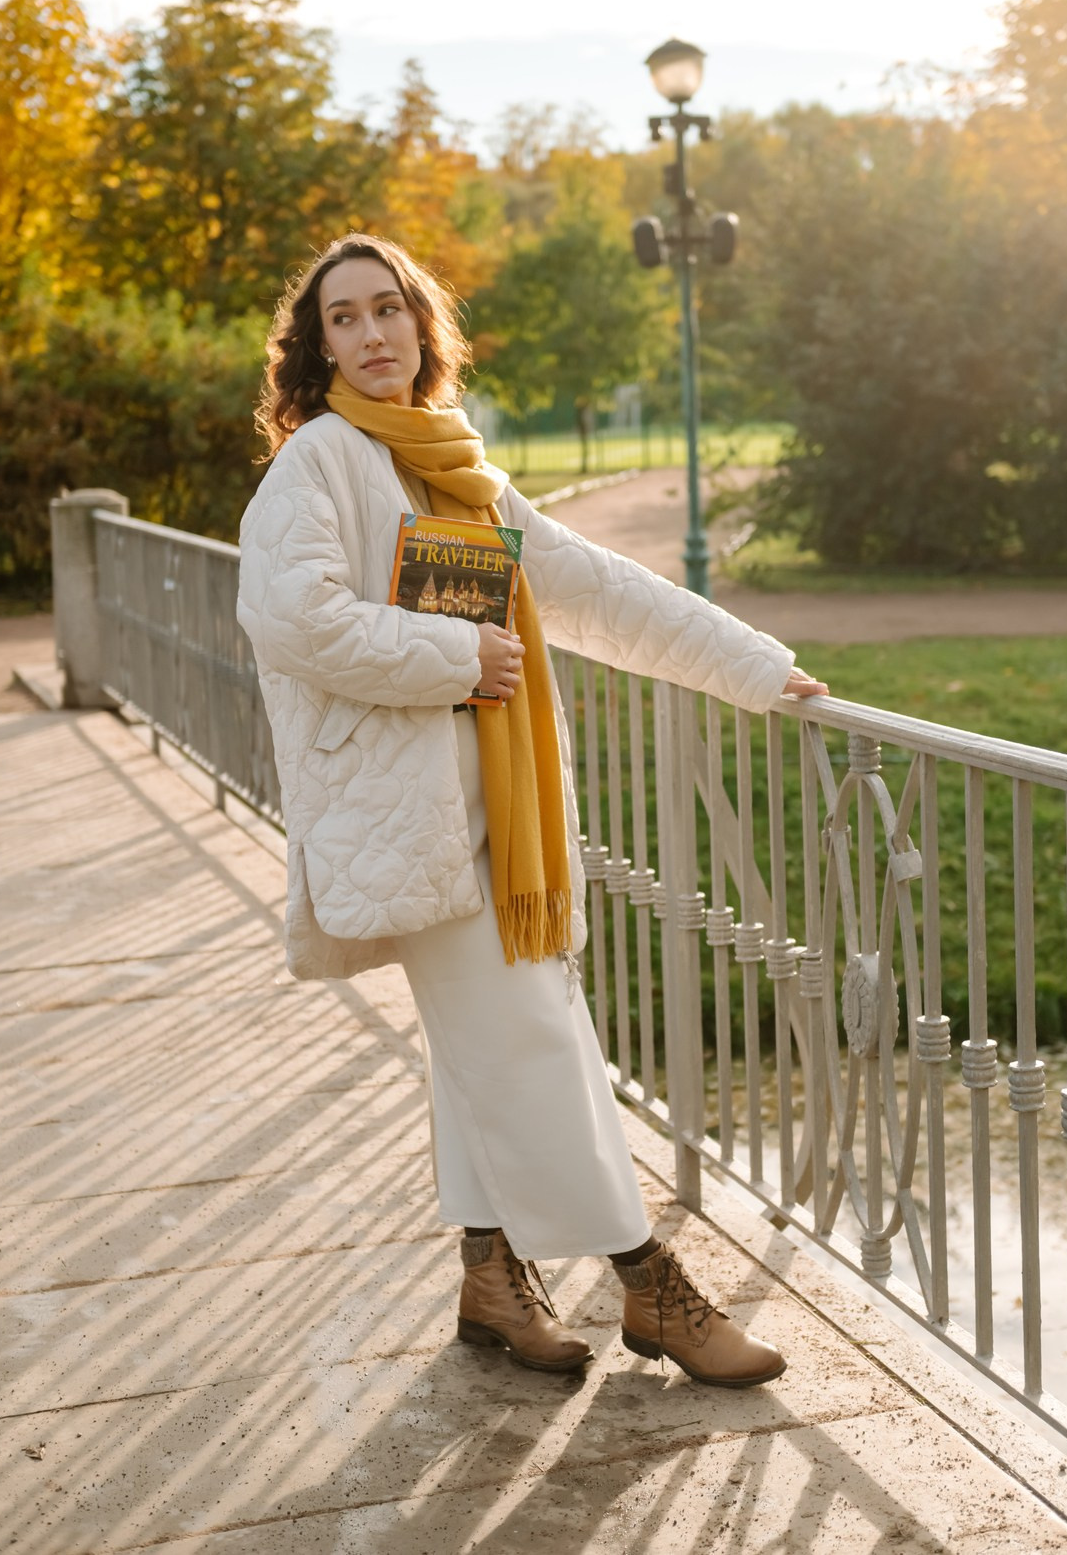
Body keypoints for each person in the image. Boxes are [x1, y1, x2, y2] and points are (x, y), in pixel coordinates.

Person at [237, 232, 828, 1387]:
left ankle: (489, 1278)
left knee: (494, 1046)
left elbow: (589, 583)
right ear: (317, 349)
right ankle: (650, 1282)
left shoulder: (455, 462)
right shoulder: (315, 464)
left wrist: (755, 666)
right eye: (343, 319)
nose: (370, 333)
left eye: (387, 308)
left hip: (500, 820)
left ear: (422, 325)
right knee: (535, 1046)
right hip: (410, 827)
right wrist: (460, 656)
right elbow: (295, 620)